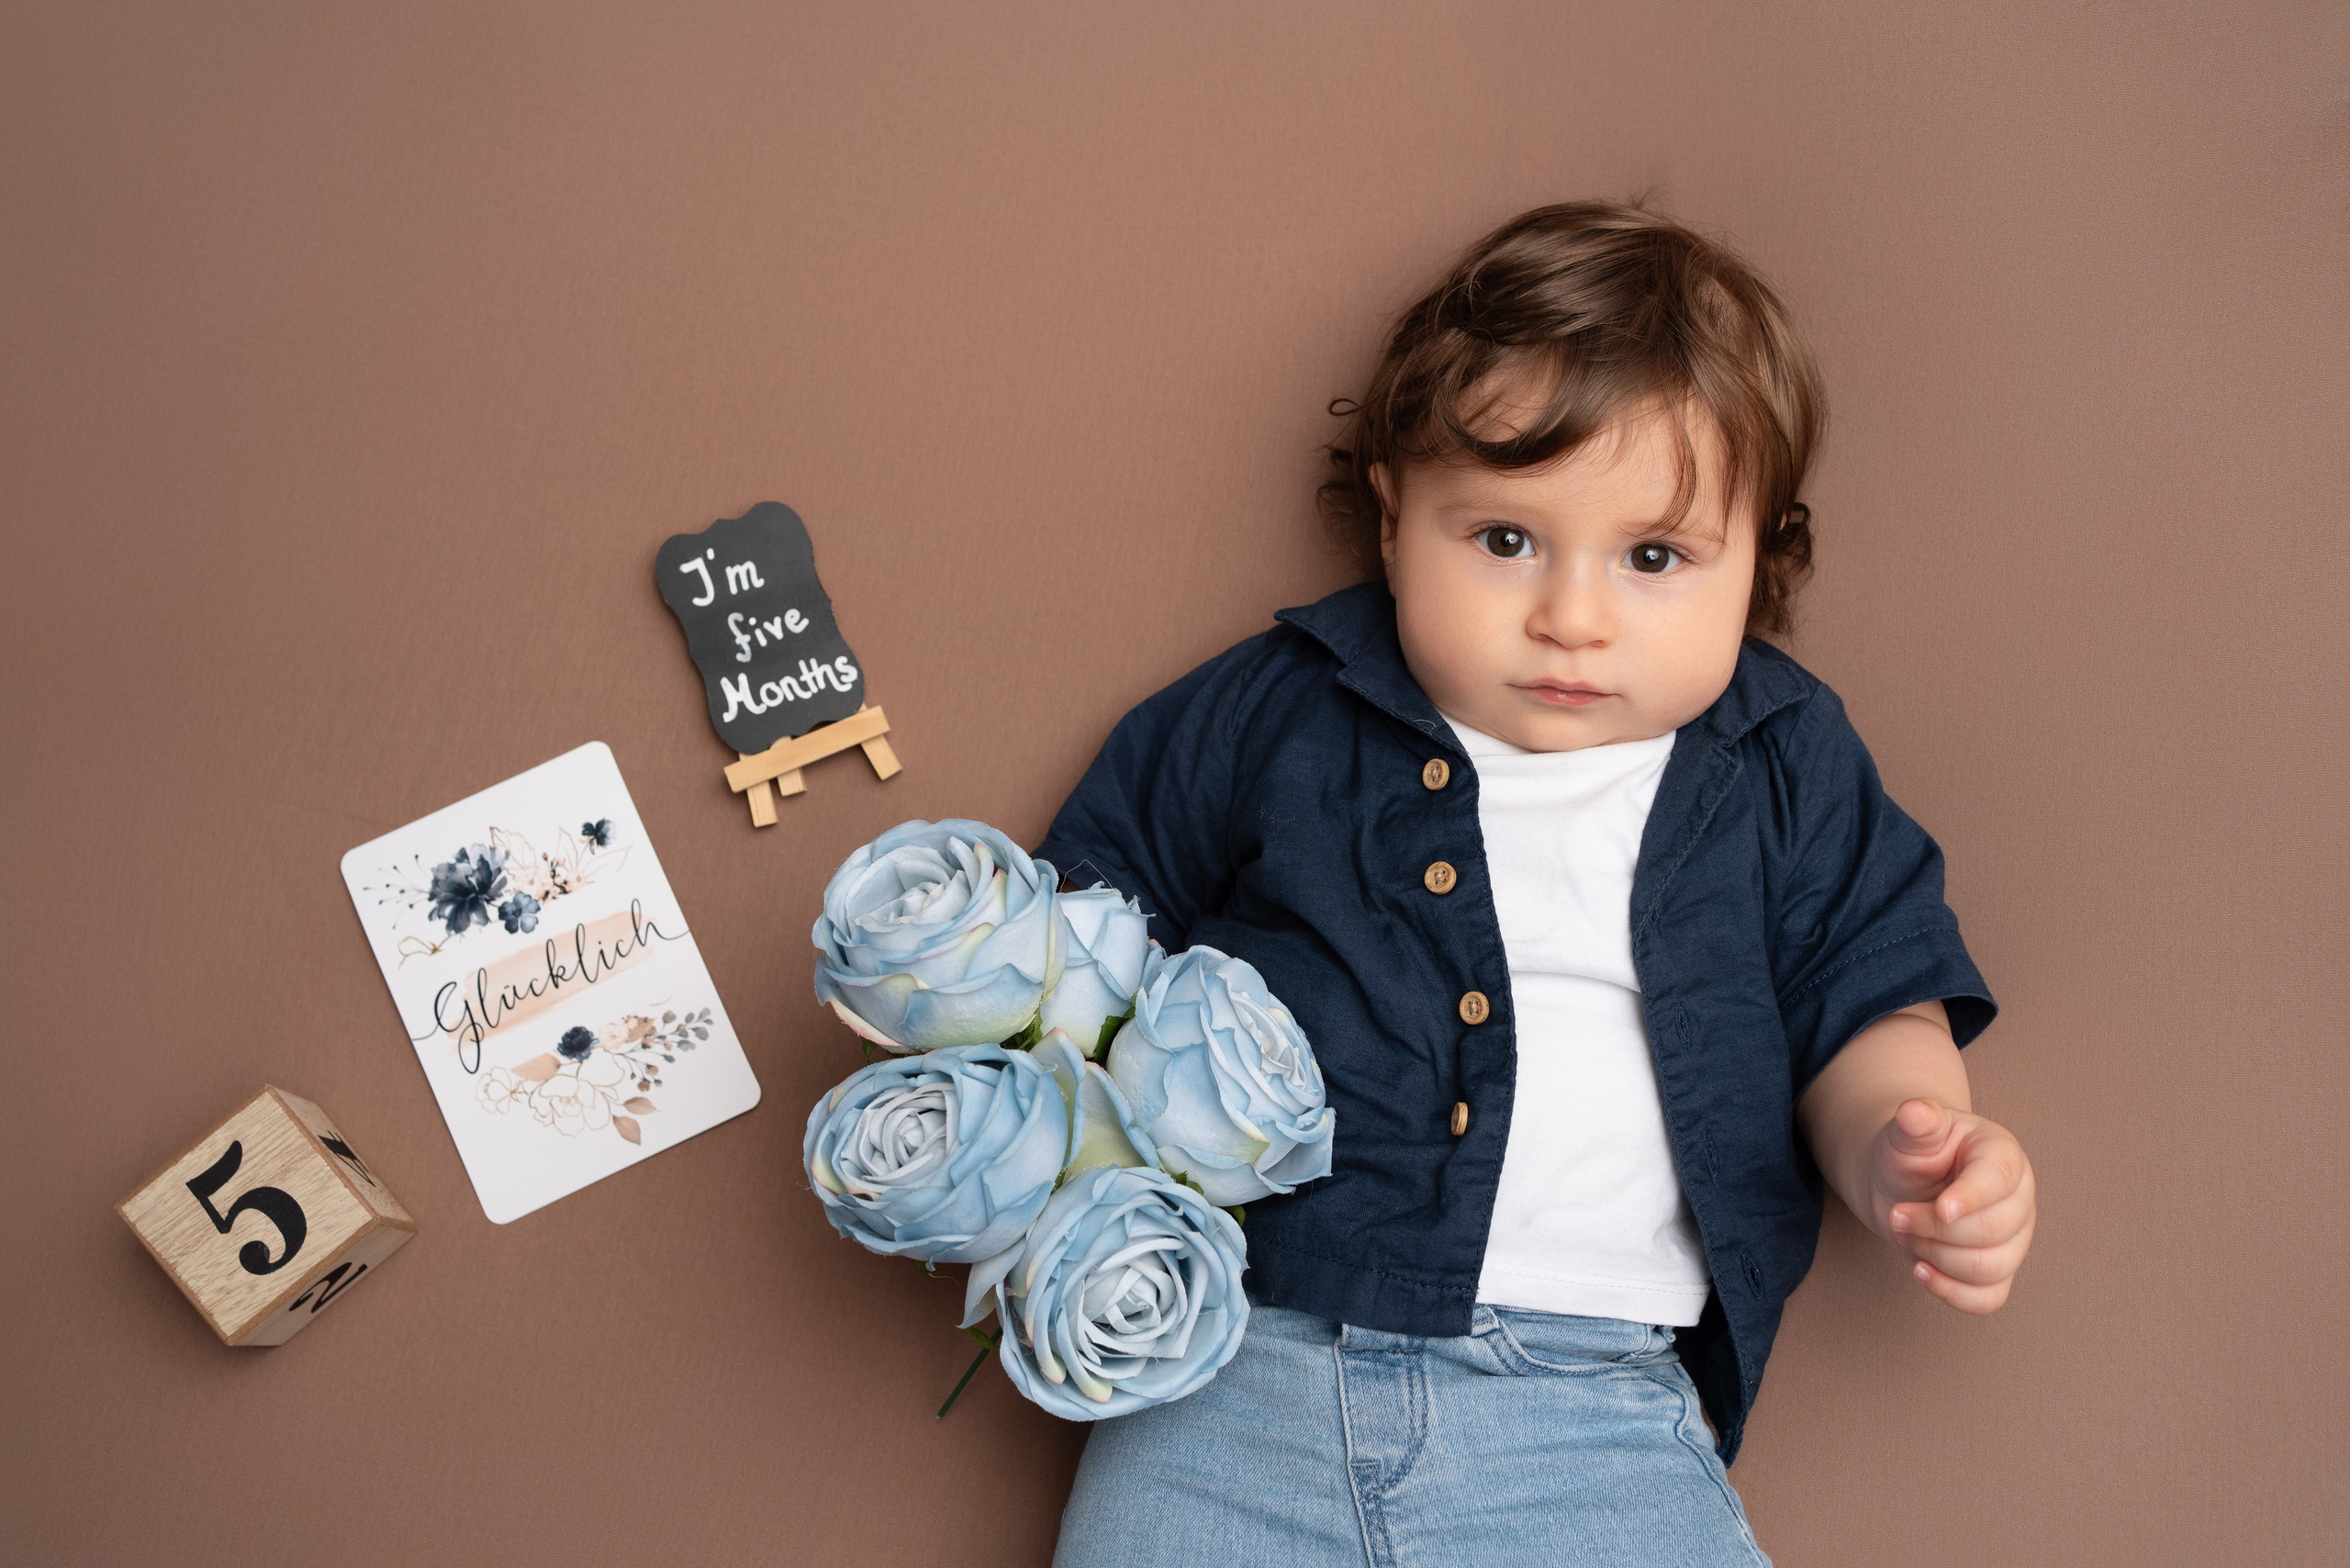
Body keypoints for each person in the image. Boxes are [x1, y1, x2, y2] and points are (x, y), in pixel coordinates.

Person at [1033, 201, 2037, 1567]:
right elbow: (1075, 937)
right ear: (1394, 519)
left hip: (1594, 1411)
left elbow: (1867, 994)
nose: (1574, 613)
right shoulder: (1277, 710)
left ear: (1759, 563)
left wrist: (1909, 1147)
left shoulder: (1781, 761)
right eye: (1504, 540)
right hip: (1227, 1378)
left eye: (1654, 557)